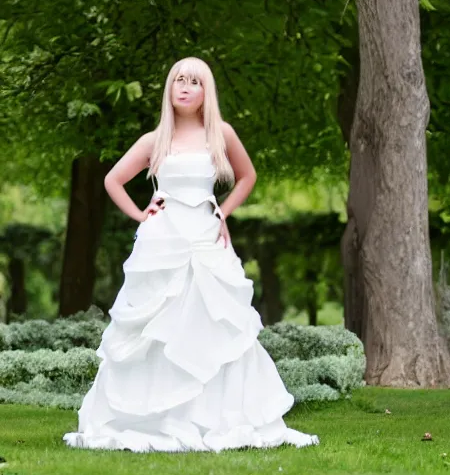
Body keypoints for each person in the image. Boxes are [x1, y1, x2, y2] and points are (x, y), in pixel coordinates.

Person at [63, 57, 319, 453]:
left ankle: (215, 415)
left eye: (194, 81)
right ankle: (156, 415)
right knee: (158, 328)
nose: (184, 87)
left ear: (205, 92)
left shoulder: (221, 134)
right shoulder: (155, 140)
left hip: (205, 240)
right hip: (162, 243)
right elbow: (112, 179)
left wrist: (224, 212)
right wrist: (141, 213)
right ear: (170, 88)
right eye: (178, 80)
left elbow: (247, 176)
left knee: (215, 324)